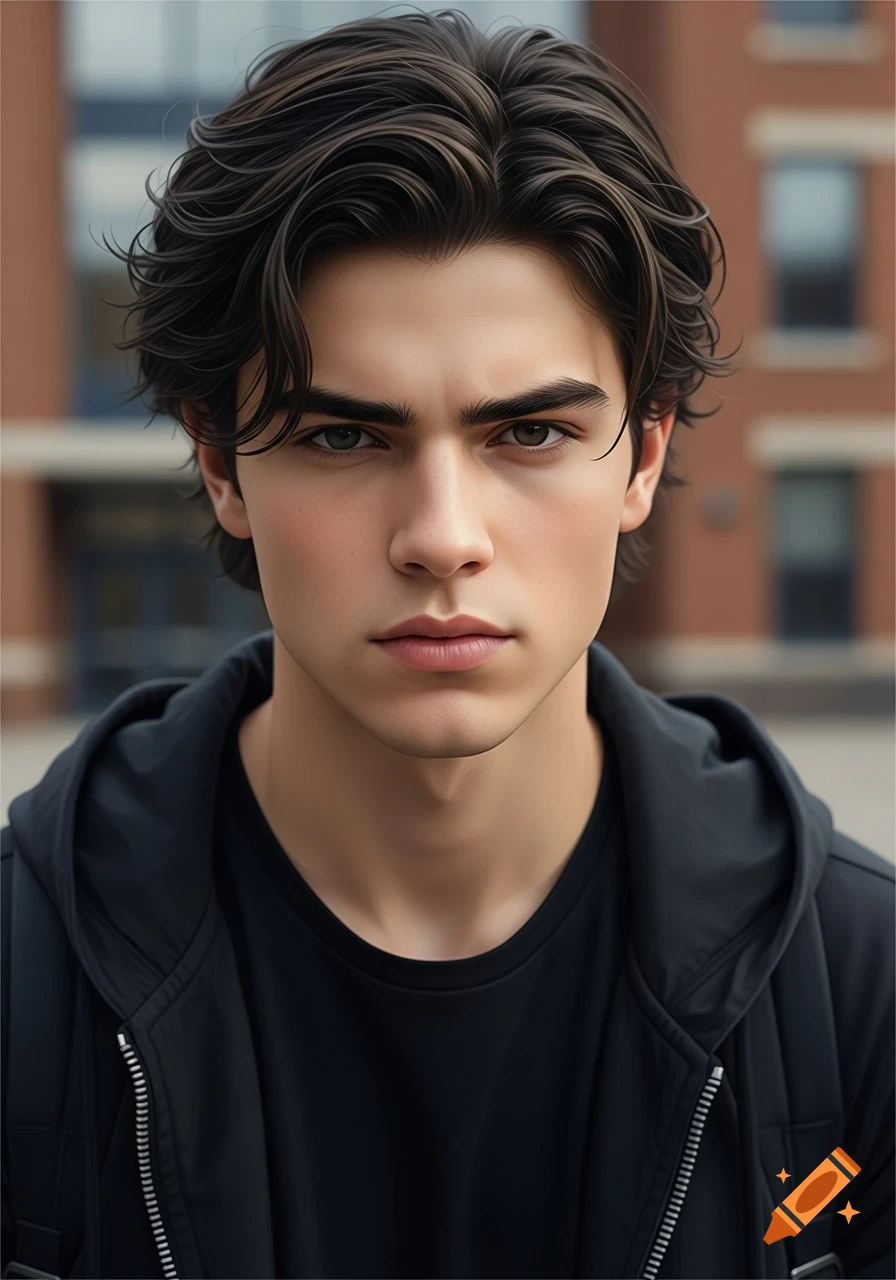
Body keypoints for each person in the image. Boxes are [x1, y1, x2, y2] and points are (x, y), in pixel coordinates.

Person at [2, 10, 893, 1280]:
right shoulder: (21, 984)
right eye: (342, 437)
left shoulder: (858, 994)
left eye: (524, 434)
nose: (441, 536)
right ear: (220, 468)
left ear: (639, 456)